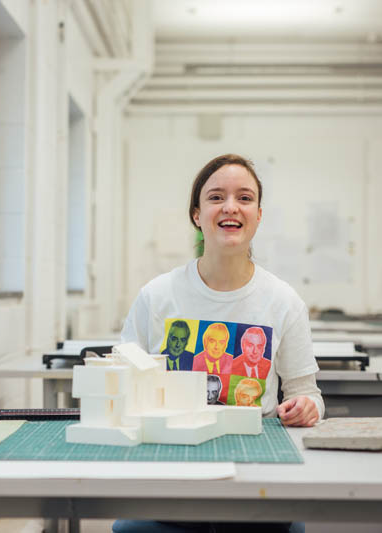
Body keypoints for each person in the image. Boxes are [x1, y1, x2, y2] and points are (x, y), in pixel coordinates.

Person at [115, 154, 322, 533]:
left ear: (259, 214)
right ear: (196, 214)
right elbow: (122, 386)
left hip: (258, 477)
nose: (230, 207)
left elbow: (308, 394)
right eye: (216, 197)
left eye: (244, 198)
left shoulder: (284, 301)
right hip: (172, 471)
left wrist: (307, 407)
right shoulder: (157, 296)